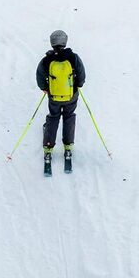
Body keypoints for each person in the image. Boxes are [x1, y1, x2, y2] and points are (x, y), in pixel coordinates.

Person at [37, 29, 85, 172]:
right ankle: (68, 147)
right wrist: (78, 85)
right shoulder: (73, 57)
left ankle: (48, 148)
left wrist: (45, 88)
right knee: (69, 117)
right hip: (71, 95)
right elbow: (81, 75)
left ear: (52, 43)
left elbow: (40, 75)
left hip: (54, 97)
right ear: (65, 41)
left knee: (53, 117)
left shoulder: (47, 59)